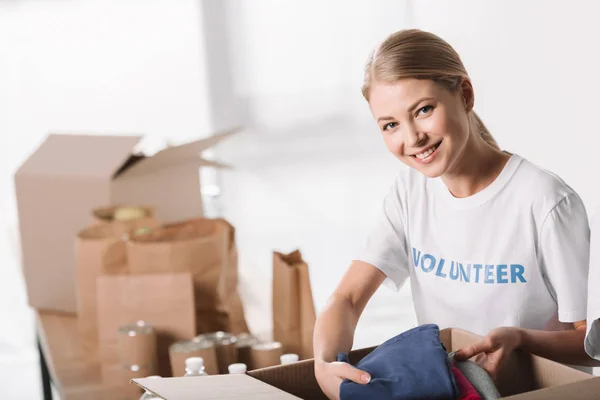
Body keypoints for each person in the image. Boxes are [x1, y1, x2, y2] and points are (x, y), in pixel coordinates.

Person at [313, 29, 594, 400]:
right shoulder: (409, 194)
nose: (412, 138)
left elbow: (592, 341)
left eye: (423, 110)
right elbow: (347, 298)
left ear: (465, 95)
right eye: (391, 125)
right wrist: (323, 365)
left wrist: (521, 339)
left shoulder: (544, 201)